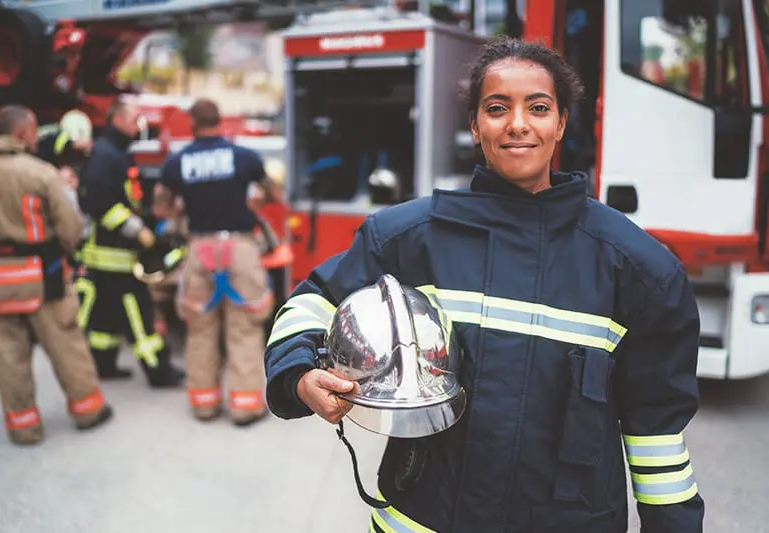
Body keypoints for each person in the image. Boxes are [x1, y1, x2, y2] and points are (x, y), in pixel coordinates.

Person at [264, 36, 704, 532]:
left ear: (560, 123)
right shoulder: (409, 238)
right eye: (497, 108)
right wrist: (299, 374)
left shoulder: (636, 269)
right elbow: (312, 302)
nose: (517, 123)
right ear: (475, 125)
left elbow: (657, 436)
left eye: (538, 107)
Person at [0, 105, 113, 445]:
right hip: (41, 277)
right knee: (66, 344)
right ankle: (88, 411)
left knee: (9, 355)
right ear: (23, 133)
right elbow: (71, 227)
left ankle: (23, 427)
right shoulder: (40, 173)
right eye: (33, 132)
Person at [159, 98, 276, 425]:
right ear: (220, 121)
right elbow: (273, 193)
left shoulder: (177, 162)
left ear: (193, 124)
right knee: (244, 328)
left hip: (200, 248)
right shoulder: (244, 157)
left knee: (200, 328)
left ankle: (204, 404)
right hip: (239, 247)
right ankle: (245, 406)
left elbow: (161, 207)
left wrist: (183, 207)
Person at [75, 99, 184, 387]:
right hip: (113, 254)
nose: (140, 125)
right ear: (118, 120)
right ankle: (158, 370)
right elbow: (99, 203)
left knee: (104, 315)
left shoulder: (115, 152)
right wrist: (137, 231)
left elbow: (125, 196)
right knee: (138, 311)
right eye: (135, 119)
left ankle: (103, 363)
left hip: (108, 254)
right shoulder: (106, 155)